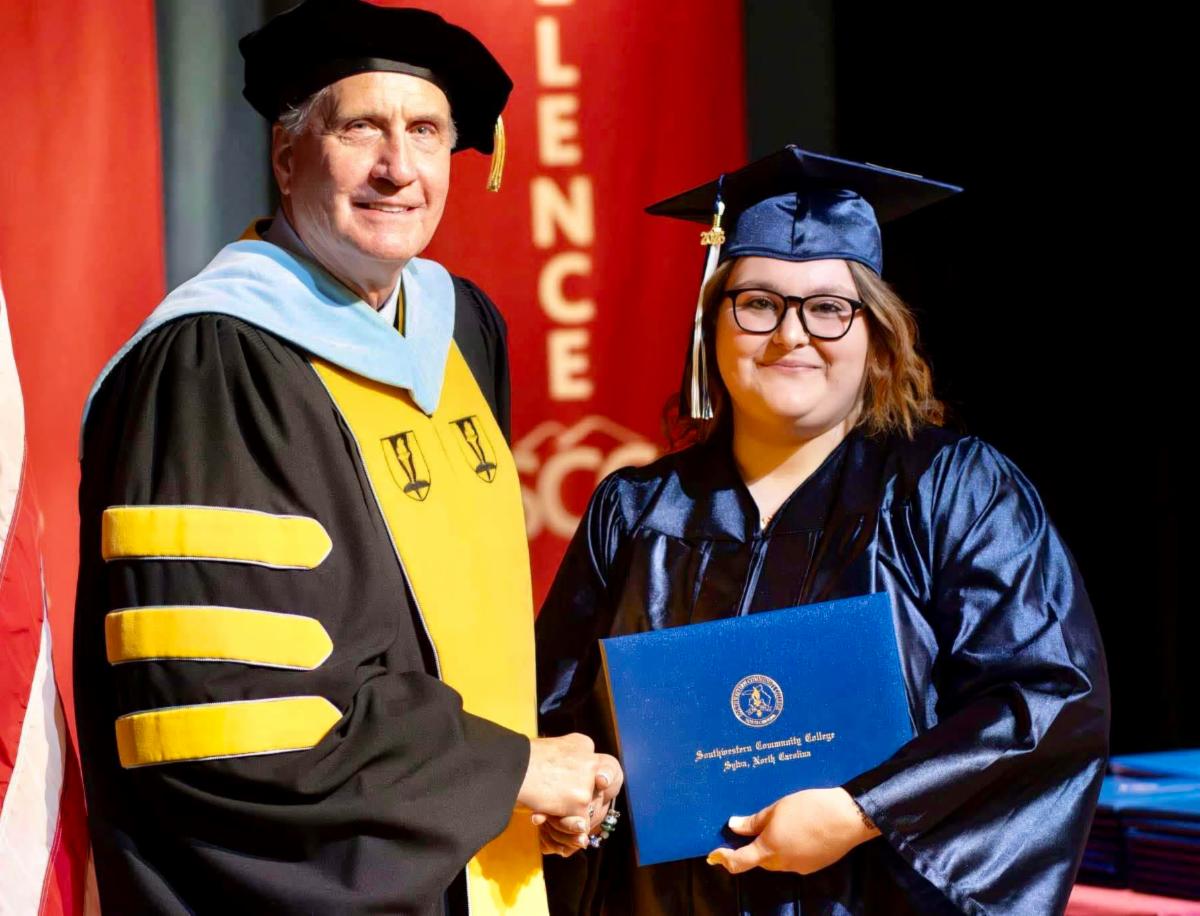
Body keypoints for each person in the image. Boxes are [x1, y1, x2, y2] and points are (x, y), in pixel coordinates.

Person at [73, 2, 619, 913]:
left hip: (464, 859)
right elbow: (232, 708)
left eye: (426, 131)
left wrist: (520, 790)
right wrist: (508, 771)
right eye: (361, 127)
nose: (398, 167)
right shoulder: (216, 362)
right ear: (287, 157)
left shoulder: (461, 327)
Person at [535, 147, 1108, 915]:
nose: (791, 334)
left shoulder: (951, 490)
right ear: (713, 323)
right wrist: (583, 790)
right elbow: (559, 713)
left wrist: (861, 810)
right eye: (758, 304)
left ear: (876, 331)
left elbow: (1046, 697)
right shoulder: (636, 511)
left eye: (829, 308)